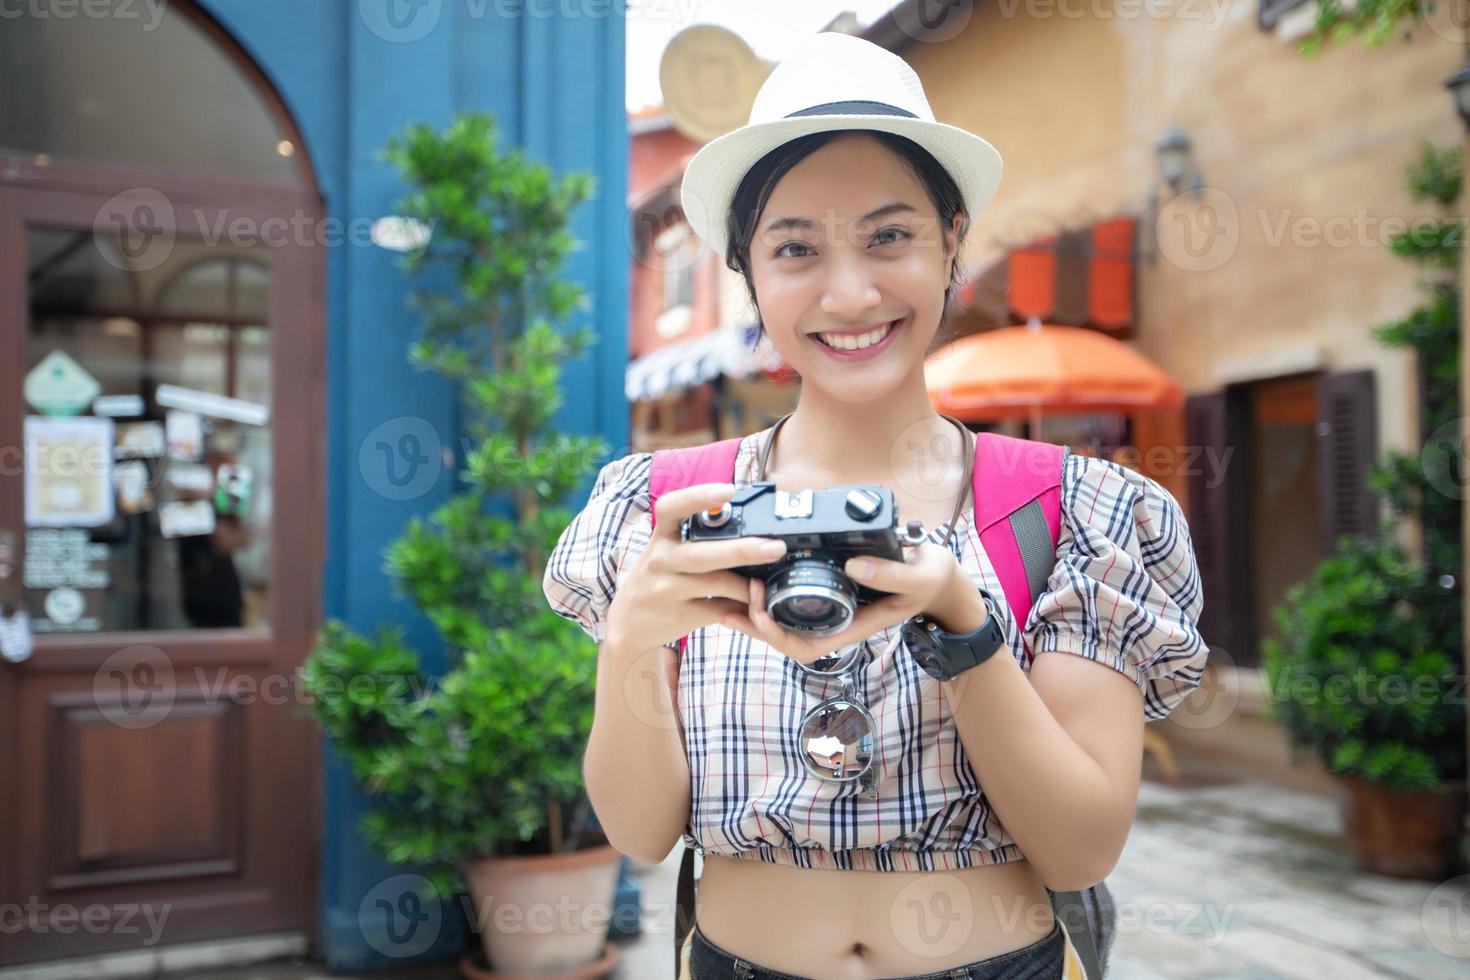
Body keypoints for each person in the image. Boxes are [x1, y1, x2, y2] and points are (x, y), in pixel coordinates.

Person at [544, 32, 1208, 980]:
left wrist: (962, 621)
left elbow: (1079, 848)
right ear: (749, 276)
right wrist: (631, 642)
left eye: (890, 236)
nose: (848, 292)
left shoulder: (1066, 510)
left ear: (951, 249)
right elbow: (641, 831)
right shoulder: (667, 513)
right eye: (796, 249)